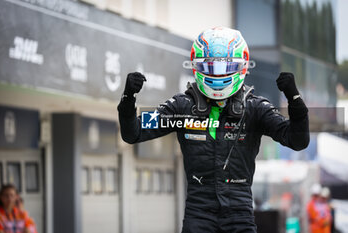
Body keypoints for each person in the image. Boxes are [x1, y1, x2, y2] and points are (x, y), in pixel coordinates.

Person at [118, 27, 309, 232]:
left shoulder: (255, 108)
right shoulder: (181, 106)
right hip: (198, 213)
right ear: (197, 67)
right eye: (211, 68)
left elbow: (297, 141)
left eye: (226, 68)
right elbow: (133, 132)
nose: (218, 75)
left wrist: (294, 99)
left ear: (241, 67)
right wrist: (128, 98)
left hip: (240, 213)